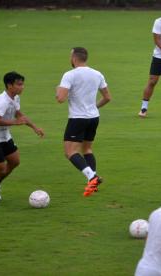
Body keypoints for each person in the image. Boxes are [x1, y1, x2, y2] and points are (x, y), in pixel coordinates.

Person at [0, 72, 44, 203]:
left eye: (22, 84)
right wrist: (15, 122)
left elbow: (19, 114)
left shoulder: (15, 98)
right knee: (0, 169)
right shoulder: (2, 101)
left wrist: (35, 127)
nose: (22, 87)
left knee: (14, 161)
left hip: (4, 137)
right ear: (9, 85)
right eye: (19, 84)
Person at [56, 47, 111, 197]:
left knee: (70, 152)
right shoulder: (97, 74)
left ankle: (92, 177)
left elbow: (60, 98)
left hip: (78, 118)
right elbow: (107, 97)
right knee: (86, 149)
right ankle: (92, 186)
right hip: (94, 118)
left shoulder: (69, 75)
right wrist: (94, 107)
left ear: (74, 58)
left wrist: (58, 91)